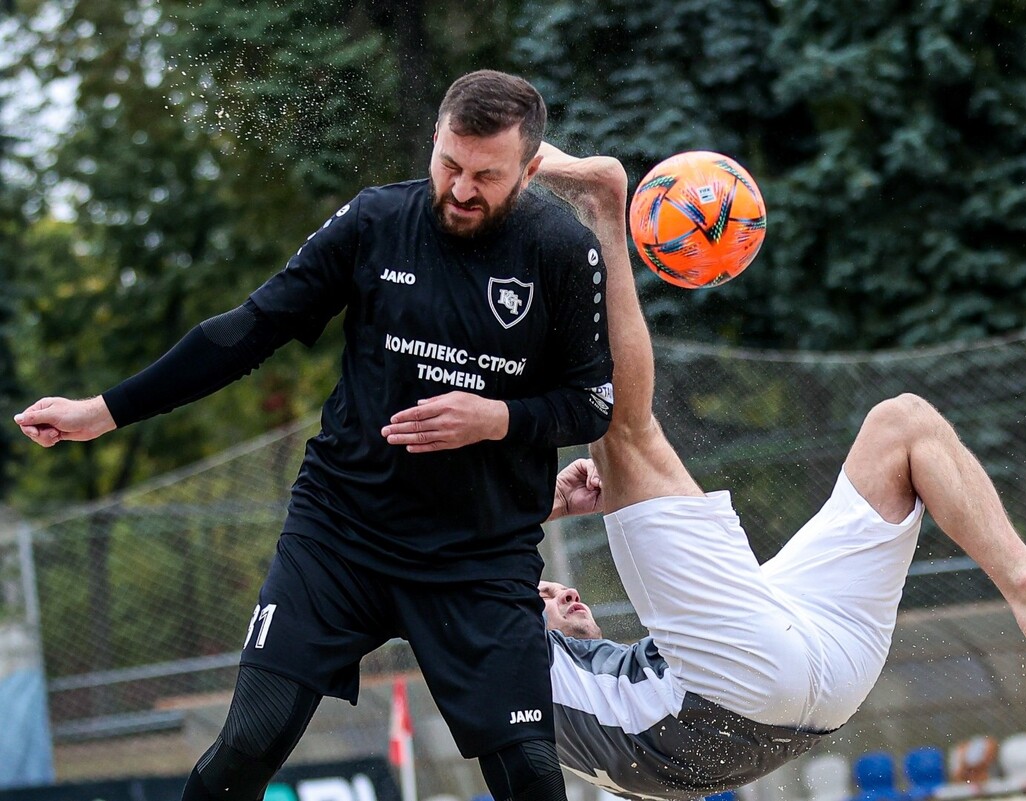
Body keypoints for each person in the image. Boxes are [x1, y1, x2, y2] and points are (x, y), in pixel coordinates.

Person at [15, 72, 613, 801]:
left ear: (528, 169)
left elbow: (592, 402)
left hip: (476, 556)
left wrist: (499, 418)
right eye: (450, 165)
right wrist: (103, 410)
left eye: (486, 176)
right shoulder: (374, 221)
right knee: (247, 743)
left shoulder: (559, 250)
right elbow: (248, 329)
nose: (461, 189)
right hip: (341, 534)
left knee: (530, 776)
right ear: (434, 139)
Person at [530, 146, 1026, 801]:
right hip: (729, 691)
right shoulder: (498, 642)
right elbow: (439, 549)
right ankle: (604, 203)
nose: (560, 591)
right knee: (617, 428)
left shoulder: (600, 671)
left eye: (546, 586)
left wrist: (547, 503)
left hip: (819, 684)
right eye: (540, 596)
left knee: (903, 425)